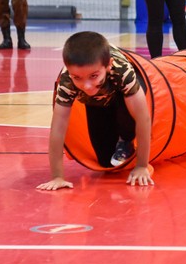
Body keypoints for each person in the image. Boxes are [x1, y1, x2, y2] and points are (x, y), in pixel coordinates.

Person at [37, 31, 153, 191]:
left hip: (121, 93)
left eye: (93, 76)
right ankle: (113, 127)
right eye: (77, 77)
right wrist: (57, 177)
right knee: (105, 161)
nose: (86, 85)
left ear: (108, 65)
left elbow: (143, 118)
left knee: (130, 103)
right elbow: (58, 126)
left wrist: (142, 165)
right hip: (97, 102)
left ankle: (125, 138)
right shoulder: (67, 82)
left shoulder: (121, 70)